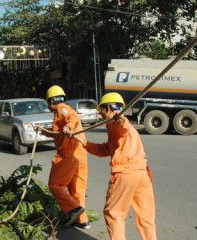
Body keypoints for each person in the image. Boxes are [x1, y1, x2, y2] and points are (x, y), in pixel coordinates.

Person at [71, 92, 157, 240]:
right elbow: (106, 149)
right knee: (146, 219)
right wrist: (83, 142)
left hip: (126, 174)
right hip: (142, 174)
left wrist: (120, 119)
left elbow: (122, 127)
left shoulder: (116, 123)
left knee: (113, 213)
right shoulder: (115, 128)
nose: (100, 116)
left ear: (109, 108)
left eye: (101, 111)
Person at [35, 85, 90, 229]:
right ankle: (82, 221)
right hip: (80, 154)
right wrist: (43, 131)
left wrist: (68, 127)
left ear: (51, 101)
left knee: (55, 185)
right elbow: (58, 133)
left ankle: (74, 210)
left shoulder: (62, 109)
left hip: (69, 154)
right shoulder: (62, 111)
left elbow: (71, 119)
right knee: (77, 190)